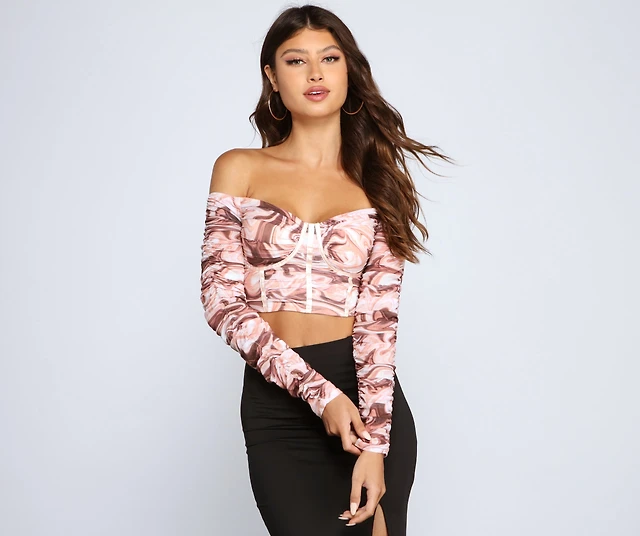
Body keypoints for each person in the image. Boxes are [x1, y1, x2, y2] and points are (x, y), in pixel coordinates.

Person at [200, 5, 454, 535]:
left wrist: (376, 445)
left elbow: (378, 323)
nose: (315, 73)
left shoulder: (378, 183)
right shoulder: (239, 168)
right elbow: (221, 302)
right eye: (296, 61)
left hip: (364, 401)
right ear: (272, 77)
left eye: (329, 58)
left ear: (348, 70)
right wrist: (322, 395)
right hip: (277, 404)